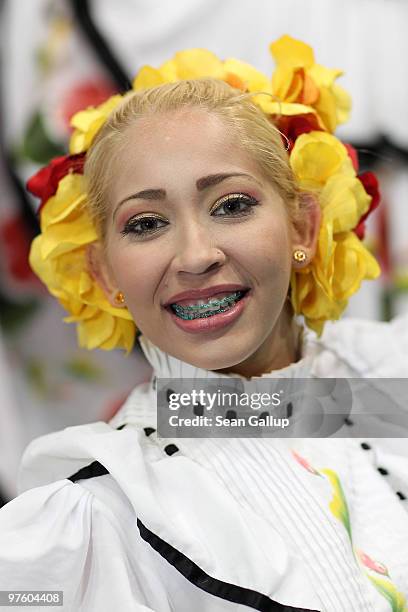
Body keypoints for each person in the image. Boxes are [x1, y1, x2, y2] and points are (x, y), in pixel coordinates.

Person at [0, 35, 407, 612]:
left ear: (302, 229)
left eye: (231, 205)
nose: (195, 256)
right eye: (145, 223)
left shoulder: (388, 379)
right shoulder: (100, 516)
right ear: (103, 272)